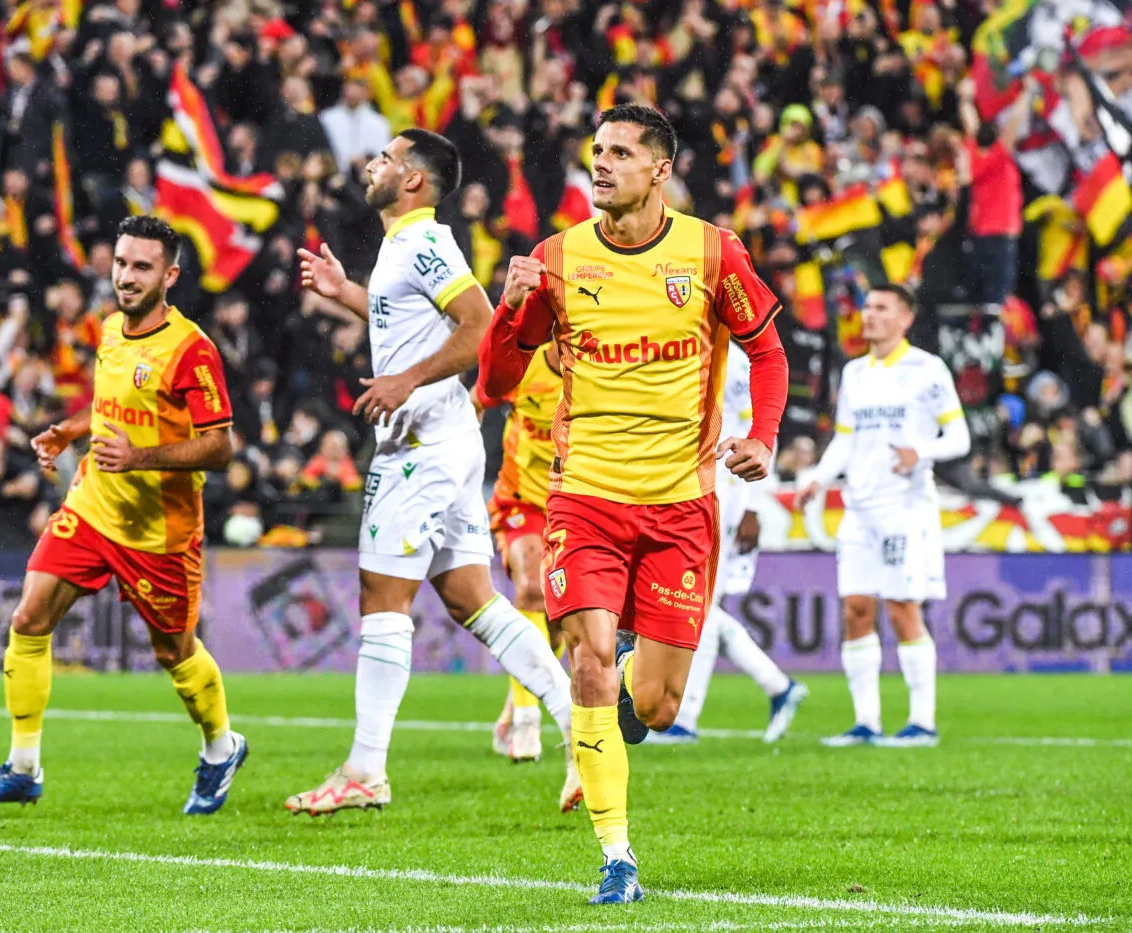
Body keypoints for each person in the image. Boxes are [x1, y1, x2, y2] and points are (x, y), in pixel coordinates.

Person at [478, 104, 790, 905]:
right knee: (584, 656)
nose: (601, 163)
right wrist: (513, 308)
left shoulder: (712, 251)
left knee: (653, 701)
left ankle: (621, 689)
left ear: (660, 169)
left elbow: (767, 346)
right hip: (584, 500)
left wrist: (767, 434)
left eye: (620, 152)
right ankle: (617, 856)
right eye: (596, 151)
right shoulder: (555, 258)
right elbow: (497, 384)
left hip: (682, 505)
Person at [287, 129, 579, 816]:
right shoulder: (403, 246)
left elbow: (480, 325)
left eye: (387, 158)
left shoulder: (423, 240)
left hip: (419, 442)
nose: (372, 165)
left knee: (381, 595)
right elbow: (410, 322)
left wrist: (404, 380)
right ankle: (580, 724)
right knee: (471, 598)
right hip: (446, 439)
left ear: (414, 179)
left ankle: (365, 768)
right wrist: (348, 296)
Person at [0, 216, 249, 815]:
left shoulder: (192, 351)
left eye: (142, 267)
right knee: (30, 616)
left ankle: (221, 746)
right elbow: (110, 406)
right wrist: (71, 429)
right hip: (93, 505)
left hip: (159, 530)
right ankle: (23, 766)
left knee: (175, 653)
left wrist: (140, 456)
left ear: (169, 275)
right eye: (120, 263)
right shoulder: (111, 329)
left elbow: (221, 446)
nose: (126, 276)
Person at [793, 284, 969, 749]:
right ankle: (866, 722)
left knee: (902, 609)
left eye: (880, 308)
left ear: (904, 318)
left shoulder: (927, 370)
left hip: (904, 507)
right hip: (859, 508)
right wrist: (817, 477)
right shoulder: (854, 373)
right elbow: (846, 439)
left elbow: (960, 437)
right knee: (856, 609)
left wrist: (921, 452)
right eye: (866, 307)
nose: (868, 315)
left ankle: (922, 723)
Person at [646, 341, 808, 745]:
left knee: (694, 606)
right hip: (680, 493)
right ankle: (777, 686)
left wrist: (752, 503)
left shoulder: (734, 361)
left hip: (721, 495)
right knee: (696, 605)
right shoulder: (680, 347)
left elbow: (752, 431)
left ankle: (685, 717)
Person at [473, 341, 569, 766]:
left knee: (564, 615)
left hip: (574, 503)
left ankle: (517, 701)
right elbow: (478, 398)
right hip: (520, 500)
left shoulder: (600, 371)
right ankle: (528, 721)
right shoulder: (524, 366)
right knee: (531, 590)